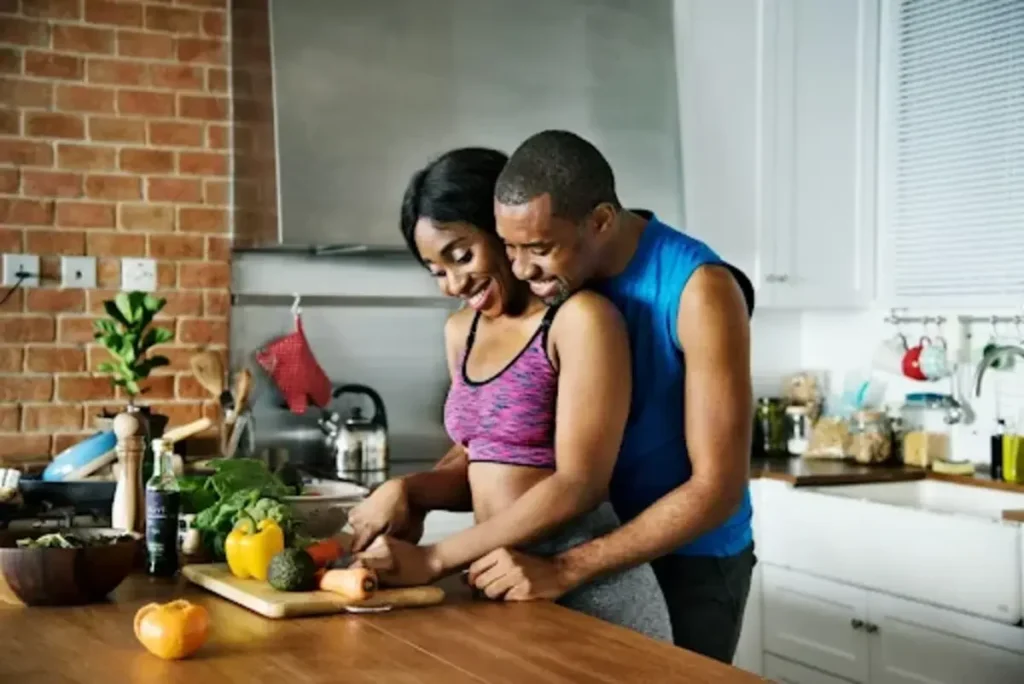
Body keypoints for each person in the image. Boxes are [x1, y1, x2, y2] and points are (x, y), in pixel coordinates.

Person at [349, 130, 756, 664]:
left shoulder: (696, 290)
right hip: (568, 542)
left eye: (536, 250)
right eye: (511, 247)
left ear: (600, 222)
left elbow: (716, 489)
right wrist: (415, 489)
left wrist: (565, 566)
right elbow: (502, 442)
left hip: (687, 555)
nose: (519, 268)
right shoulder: (554, 276)